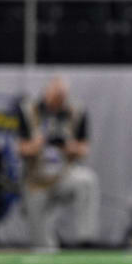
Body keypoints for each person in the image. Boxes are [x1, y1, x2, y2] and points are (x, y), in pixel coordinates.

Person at [17, 77, 100, 248]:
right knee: (41, 244)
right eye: (55, 98)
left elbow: (84, 149)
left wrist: (68, 146)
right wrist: (38, 144)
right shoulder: (28, 110)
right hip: (36, 180)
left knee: (87, 181)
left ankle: (86, 239)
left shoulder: (75, 111)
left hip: (63, 174)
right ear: (47, 94)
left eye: (61, 98)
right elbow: (21, 148)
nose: (57, 103)